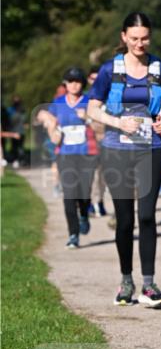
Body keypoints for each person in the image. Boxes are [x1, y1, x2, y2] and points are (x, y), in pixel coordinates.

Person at [87, 12, 161, 308]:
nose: (140, 43)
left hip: (151, 148)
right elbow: (93, 109)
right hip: (116, 150)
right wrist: (115, 122)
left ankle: (149, 286)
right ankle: (126, 281)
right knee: (124, 221)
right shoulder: (108, 70)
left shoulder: (160, 67)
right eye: (134, 38)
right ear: (123, 37)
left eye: (145, 38)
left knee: (147, 215)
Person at [42, 68, 97, 248]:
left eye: (78, 81)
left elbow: (101, 124)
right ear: (65, 84)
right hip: (65, 153)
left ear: (82, 84)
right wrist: (52, 131)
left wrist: (88, 117)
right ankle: (73, 234)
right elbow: (50, 123)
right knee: (69, 195)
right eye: (70, 81)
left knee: (84, 192)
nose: (74, 85)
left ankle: (84, 214)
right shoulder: (58, 103)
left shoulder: (90, 101)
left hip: (87, 152)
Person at [86, 67, 108, 216]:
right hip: (89, 143)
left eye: (97, 79)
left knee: (103, 175)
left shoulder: (108, 96)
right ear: (88, 80)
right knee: (91, 175)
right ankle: (90, 203)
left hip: (106, 141)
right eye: (93, 79)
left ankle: (99, 201)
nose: (95, 82)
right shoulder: (85, 98)